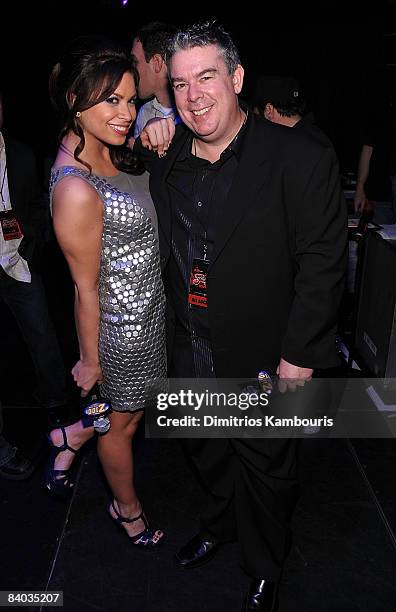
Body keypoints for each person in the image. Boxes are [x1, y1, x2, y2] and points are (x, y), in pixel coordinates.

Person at [136, 19, 347, 610]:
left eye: (207, 77)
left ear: (236, 77)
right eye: (179, 84)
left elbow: (323, 264)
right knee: (206, 449)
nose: (194, 95)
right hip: (188, 344)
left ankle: (264, 562)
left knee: (266, 465)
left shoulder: (298, 155)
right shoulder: (166, 150)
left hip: (263, 350)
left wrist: (300, 358)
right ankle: (222, 523)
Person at [47, 38, 166, 547]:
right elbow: (84, 288)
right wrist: (91, 362)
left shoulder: (112, 150)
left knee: (121, 418)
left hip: (150, 313)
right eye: (111, 101)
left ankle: (70, 436)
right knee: (123, 427)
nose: (126, 113)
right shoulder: (76, 187)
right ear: (75, 100)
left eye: (130, 98)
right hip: (123, 333)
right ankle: (127, 510)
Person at [0, 89, 69, 479]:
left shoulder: (22, 154)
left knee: (41, 334)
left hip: (17, 260)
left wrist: (31, 244)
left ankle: (57, 405)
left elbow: (42, 203)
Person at [131, 22, 179, 142]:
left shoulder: (193, 110)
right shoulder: (144, 113)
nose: (132, 70)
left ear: (156, 62)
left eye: (135, 62)